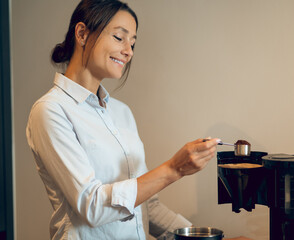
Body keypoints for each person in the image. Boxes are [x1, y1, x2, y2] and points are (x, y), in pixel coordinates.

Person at [26, 0, 251, 239]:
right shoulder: (51, 111)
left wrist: (208, 237)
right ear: (82, 33)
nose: (129, 51)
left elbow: (147, 207)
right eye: (119, 37)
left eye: (132, 42)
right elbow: (91, 207)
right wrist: (173, 169)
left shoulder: (122, 113)